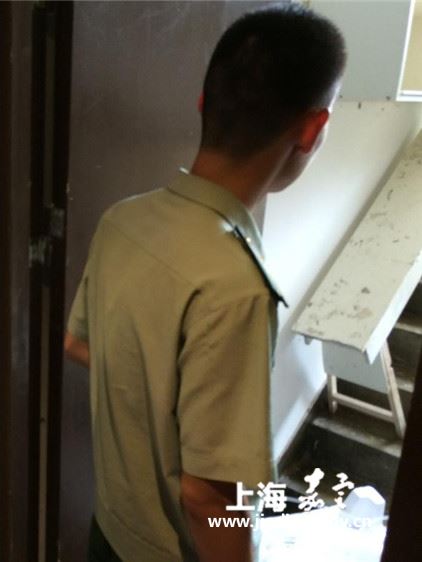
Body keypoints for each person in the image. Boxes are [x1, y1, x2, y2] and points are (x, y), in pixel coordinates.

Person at [64, 4, 346, 562]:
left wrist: (157, 403)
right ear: (312, 129)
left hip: (109, 534)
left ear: (203, 103)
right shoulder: (235, 286)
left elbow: (77, 342)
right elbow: (207, 496)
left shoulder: (122, 220)